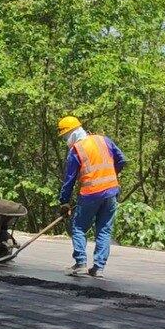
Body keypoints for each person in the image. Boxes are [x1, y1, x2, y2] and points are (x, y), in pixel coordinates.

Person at [57, 116, 126, 277]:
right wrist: (112, 175)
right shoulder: (103, 140)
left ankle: (81, 263)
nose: (66, 140)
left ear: (72, 133)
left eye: (65, 136)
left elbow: (69, 179)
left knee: (79, 227)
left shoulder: (77, 149)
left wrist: (64, 202)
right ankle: (98, 268)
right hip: (110, 193)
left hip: (90, 195)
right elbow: (121, 159)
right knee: (104, 229)